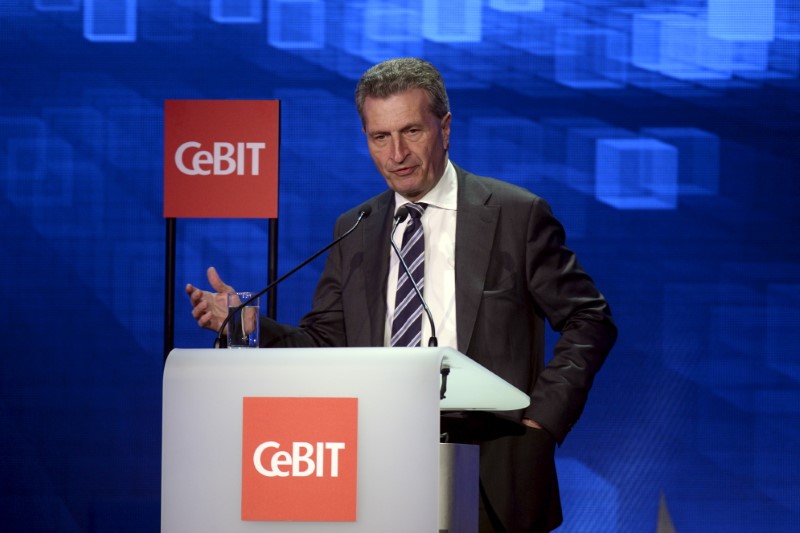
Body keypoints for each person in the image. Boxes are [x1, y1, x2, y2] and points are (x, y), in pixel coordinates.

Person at [186, 57, 617, 532]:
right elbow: (327, 342)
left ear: (445, 128)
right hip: (376, 469)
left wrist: (541, 422)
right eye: (380, 137)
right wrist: (251, 325)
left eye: (412, 131)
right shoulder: (354, 229)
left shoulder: (516, 215)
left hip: (495, 471)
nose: (397, 154)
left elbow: (590, 320)